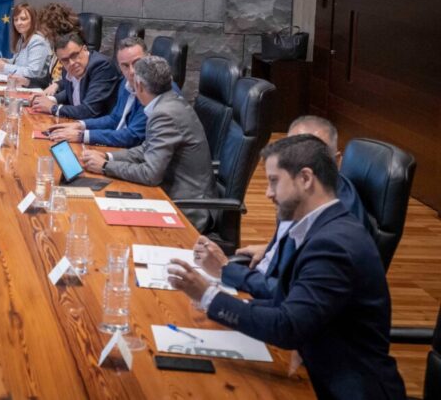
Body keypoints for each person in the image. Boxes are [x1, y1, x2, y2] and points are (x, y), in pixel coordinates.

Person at [167, 135, 406, 399]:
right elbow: (287, 302)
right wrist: (218, 300)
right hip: (310, 368)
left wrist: (209, 296)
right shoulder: (319, 228)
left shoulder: (333, 245)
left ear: (305, 178)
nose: (268, 193)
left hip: (342, 388)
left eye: (273, 181)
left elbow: (288, 327)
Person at [192, 115, 369, 299]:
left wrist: (226, 271)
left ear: (337, 161)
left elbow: (294, 294)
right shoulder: (296, 194)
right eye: (294, 155)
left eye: (317, 156)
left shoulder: (337, 226)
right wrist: (274, 248)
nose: (303, 166)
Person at [82, 56, 215, 232]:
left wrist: (105, 166)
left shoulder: (164, 114)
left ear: (140, 86)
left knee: (103, 220)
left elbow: (150, 175)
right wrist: (107, 156)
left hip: (185, 208)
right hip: (170, 192)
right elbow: (147, 148)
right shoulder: (171, 102)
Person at [45, 36, 178, 148]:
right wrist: (80, 125)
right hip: (120, 147)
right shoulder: (125, 84)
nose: (132, 71)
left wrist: (83, 135)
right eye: (125, 66)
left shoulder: (157, 89)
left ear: (149, 57)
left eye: (137, 62)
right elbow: (114, 119)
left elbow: (133, 136)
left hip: (134, 153)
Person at [29, 33, 120, 120]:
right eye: (65, 60)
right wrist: (50, 99)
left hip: (99, 129)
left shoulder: (101, 66)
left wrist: (53, 108)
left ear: (84, 49)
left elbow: (90, 111)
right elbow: (72, 92)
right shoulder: (66, 69)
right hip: (76, 124)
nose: (71, 63)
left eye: (75, 55)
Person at [11, 2, 80, 90]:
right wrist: (27, 82)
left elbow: (70, 86)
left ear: (55, 27)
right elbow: (47, 82)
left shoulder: (72, 53)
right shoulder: (56, 50)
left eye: (45, 28)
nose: (43, 33)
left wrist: (55, 96)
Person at [0, 3, 51, 79]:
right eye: (15, 20)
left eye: (23, 19)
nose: (18, 23)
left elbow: (33, 72)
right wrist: (7, 61)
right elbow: (20, 63)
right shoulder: (22, 39)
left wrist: (5, 67)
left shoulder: (37, 41)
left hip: (34, 88)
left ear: (33, 21)